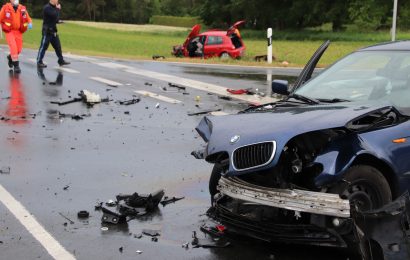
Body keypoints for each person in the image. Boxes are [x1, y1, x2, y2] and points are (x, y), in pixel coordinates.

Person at [0, 0, 32, 73]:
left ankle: (10, 57)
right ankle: (16, 65)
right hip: (9, 31)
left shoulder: (22, 8)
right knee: (13, 47)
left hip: (18, 32)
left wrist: (30, 22)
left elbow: (28, 17)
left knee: (19, 50)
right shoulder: (5, 8)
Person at [36, 0, 70, 68]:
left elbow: (56, 19)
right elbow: (53, 15)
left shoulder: (55, 8)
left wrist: (60, 21)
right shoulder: (47, 8)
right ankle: (39, 61)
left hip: (53, 31)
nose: (57, 1)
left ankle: (61, 60)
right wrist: (58, 9)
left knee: (58, 47)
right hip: (47, 31)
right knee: (43, 47)